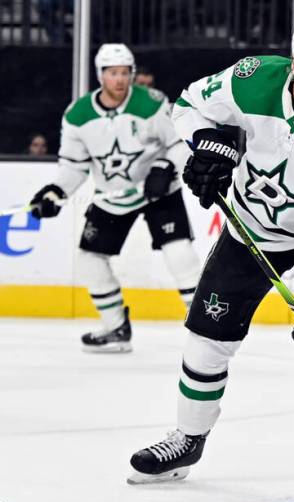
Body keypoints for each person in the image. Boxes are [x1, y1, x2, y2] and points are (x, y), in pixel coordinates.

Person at [126, 14, 294, 502]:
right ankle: (188, 439)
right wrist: (208, 145)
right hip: (247, 231)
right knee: (207, 337)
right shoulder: (252, 80)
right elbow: (186, 105)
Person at [29, 43, 199, 353]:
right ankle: (115, 327)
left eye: (124, 73)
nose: (119, 80)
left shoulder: (152, 102)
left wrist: (166, 167)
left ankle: (204, 323)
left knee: (179, 252)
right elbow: (73, 166)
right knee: (89, 260)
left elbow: (178, 143)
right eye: (112, 73)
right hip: (112, 197)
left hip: (159, 191)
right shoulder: (77, 115)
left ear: (132, 74)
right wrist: (56, 192)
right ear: (100, 75)